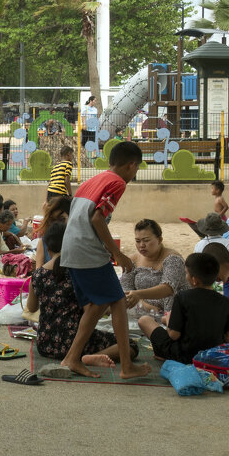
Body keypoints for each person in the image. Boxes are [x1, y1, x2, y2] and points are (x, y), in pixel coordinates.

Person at [59, 140, 149, 379]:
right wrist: (116, 254)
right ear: (131, 165)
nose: (135, 174)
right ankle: (127, 366)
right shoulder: (117, 182)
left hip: (72, 248)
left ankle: (71, 358)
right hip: (88, 250)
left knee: (98, 305)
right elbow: (98, 219)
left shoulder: (93, 180)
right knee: (117, 301)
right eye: (137, 169)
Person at [34, 221, 131, 366]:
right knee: (129, 346)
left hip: (45, 343)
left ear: (47, 247)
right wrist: (113, 306)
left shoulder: (38, 275)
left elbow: (31, 307)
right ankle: (90, 357)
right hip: (73, 343)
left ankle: (82, 356)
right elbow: (90, 310)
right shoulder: (78, 273)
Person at [137, 253, 229, 364]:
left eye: (186, 273)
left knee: (144, 320)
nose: (186, 276)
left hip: (183, 356)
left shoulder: (182, 297)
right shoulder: (226, 302)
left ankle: (162, 354)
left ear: (194, 280)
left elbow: (174, 335)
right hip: (213, 357)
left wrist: (168, 319)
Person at [120, 218, 188, 319]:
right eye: (138, 241)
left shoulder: (173, 259)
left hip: (171, 313)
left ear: (159, 240)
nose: (141, 245)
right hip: (141, 309)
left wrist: (139, 294)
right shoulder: (133, 260)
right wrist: (143, 303)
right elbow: (125, 288)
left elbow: (168, 288)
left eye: (146, 240)